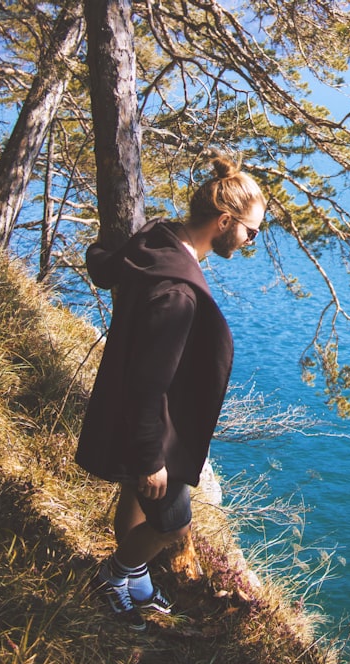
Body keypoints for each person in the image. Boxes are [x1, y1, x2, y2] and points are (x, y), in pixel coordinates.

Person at [77, 153, 266, 630]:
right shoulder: (178, 291)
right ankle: (112, 575)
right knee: (172, 524)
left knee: (137, 500)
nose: (251, 241)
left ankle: (134, 578)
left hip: (130, 410)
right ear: (224, 221)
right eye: (250, 231)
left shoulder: (159, 238)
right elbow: (150, 380)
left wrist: (97, 254)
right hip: (153, 426)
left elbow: (105, 267)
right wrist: (150, 456)